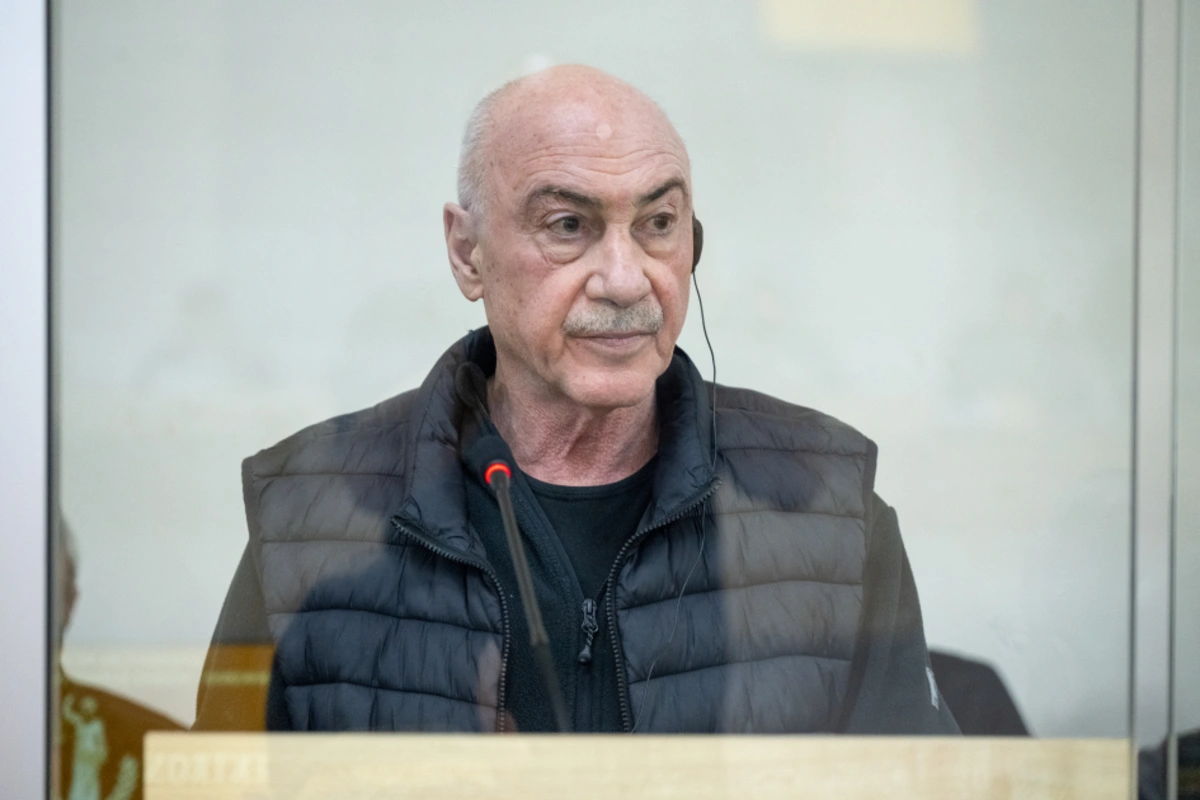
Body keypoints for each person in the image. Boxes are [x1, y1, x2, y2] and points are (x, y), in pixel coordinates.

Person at [195, 64, 958, 735]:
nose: (625, 280)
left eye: (658, 224)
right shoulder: (312, 512)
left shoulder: (826, 507)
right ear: (467, 252)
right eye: (568, 225)